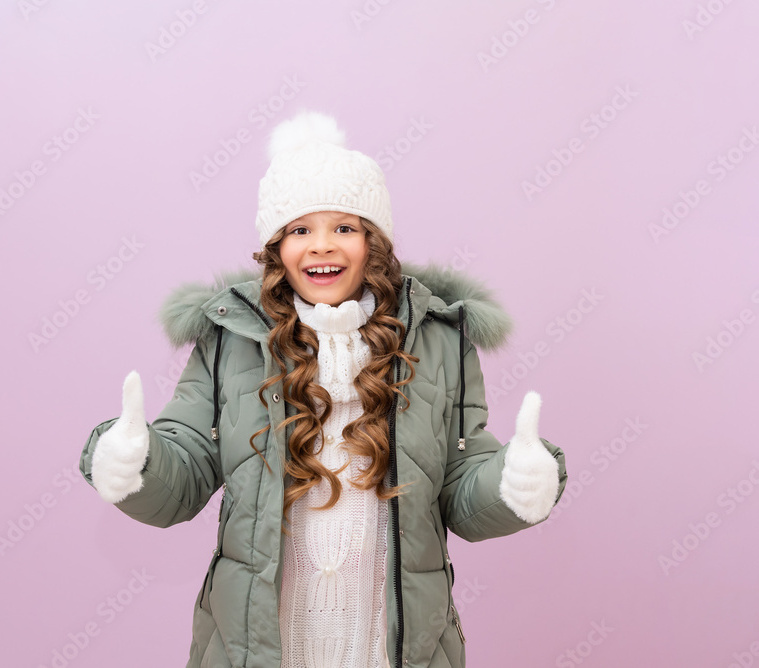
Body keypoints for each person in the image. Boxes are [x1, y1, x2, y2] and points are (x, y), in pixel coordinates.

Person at [78, 110, 568, 668]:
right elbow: (186, 467)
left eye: (344, 227)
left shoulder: (438, 340)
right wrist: (133, 463)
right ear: (274, 247)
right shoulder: (233, 338)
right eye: (299, 230)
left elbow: (458, 486)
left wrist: (514, 484)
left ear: (372, 243)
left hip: (392, 645)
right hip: (262, 646)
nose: (321, 246)